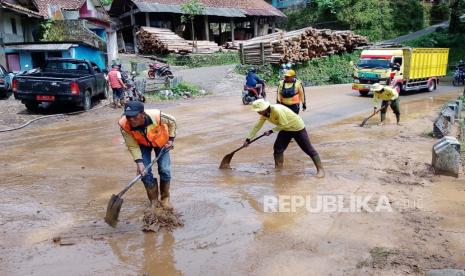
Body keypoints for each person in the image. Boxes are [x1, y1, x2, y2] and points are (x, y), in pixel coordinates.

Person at [243, 99, 325, 178]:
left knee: (307, 148)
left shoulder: (277, 110)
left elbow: (285, 124)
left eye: (259, 110)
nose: (258, 112)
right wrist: (248, 139)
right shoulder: (264, 115)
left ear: (264, 108)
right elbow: (257, 126)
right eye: (257, 111)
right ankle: (278, 169)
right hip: (285, 129)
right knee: (278, 148)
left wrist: (271, 131)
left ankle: (320, 170)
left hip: (297, 127)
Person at [119, 101, 177, 209]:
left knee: (164, 169)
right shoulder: (124, 125)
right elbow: (132, 146)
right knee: (144, 172)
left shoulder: (156, 115)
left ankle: (165, 199)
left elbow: (172, 121)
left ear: (143, 114)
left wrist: (171, 139)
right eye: (128, 116)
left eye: (134, 116)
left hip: (160, 141)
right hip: (142, 145)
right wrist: (139, 163)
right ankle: (154, 202)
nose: (131, 119)